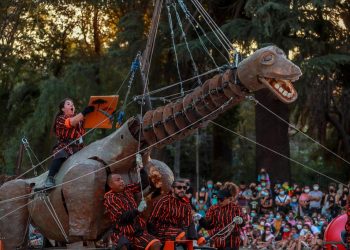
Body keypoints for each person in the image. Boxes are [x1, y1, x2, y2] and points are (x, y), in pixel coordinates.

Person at [104, 168, 161, 250]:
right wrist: (137, 210)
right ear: (110, 185)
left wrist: (141, 169)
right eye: (118, 180)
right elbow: (122, 218)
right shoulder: (110, 198)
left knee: (156, 244)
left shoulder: (127, 189)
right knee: (124, 247)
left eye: (122, 179)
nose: (122, 181)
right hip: (122, 233)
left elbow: (144, 184)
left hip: (137, 232)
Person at [44, 98, 94, 188]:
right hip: (66, 146)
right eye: (68, 104)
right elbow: (71, 122)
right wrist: (84, 112)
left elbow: (93, 121)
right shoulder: (60, 119)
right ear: (63, 109)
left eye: (72, 104)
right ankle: (50, 178)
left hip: (79, 147)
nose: (72, 105)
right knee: (60, 154)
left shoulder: (79, 119)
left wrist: (107, 114)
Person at [147, 179, 196, 243]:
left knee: (196, 236)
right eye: (179, 187)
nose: (182, 190)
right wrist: (153, 238)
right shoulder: (164, 201)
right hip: (160, 231)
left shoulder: (186, 204)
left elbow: (189, 223)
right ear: (172, 189)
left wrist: (194, 236)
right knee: (181, 234)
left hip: (179, 231)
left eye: (184, 188)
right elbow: (151, 221)